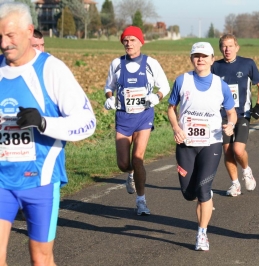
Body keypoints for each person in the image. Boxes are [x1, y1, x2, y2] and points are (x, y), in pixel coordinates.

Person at [0, 2, 96, 265]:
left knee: (40, 260)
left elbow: (87, 122)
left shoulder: (51, 69)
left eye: (10, 35)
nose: (4, 43)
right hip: (1, 181)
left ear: (29, 31)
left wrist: (43, 123)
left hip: (40, 181)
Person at [167, 42, 237, 251]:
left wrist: (231, 125)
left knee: (204, 189)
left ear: (212, 59)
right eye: (196, 56)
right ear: (191, 59)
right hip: (186, 143)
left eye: (204, 56)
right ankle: (202, 197)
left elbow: (231, 112)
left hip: (212, 142)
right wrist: (175, 128)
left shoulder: (220, 85)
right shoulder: (182, 81)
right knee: (189, 193)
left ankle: (202, 234)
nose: (200, 59)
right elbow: (171, 109)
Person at [104, 26, 170, 215]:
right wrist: (109, 97)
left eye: (132, 40)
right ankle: (130, 174)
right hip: (124, 117)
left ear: (141, 42)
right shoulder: (117, 63)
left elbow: (164, 86)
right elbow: (109, 86)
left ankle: (141, 201)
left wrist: (157, 97)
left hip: (143, 117)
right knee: (123, 164)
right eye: (125, 40)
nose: (128, 43)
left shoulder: (151, 63)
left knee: (138, 158)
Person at [211, 33, 259, 197]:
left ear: (237, 47)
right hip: (222, 115)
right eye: (224, 46)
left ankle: (246, 170)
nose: (227, 49)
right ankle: (235, 184)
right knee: (227, 150)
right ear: (220, 48)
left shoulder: (247, 64)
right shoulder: (215, 66)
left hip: (242, 113)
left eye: (230, 46)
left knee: (238, 150)